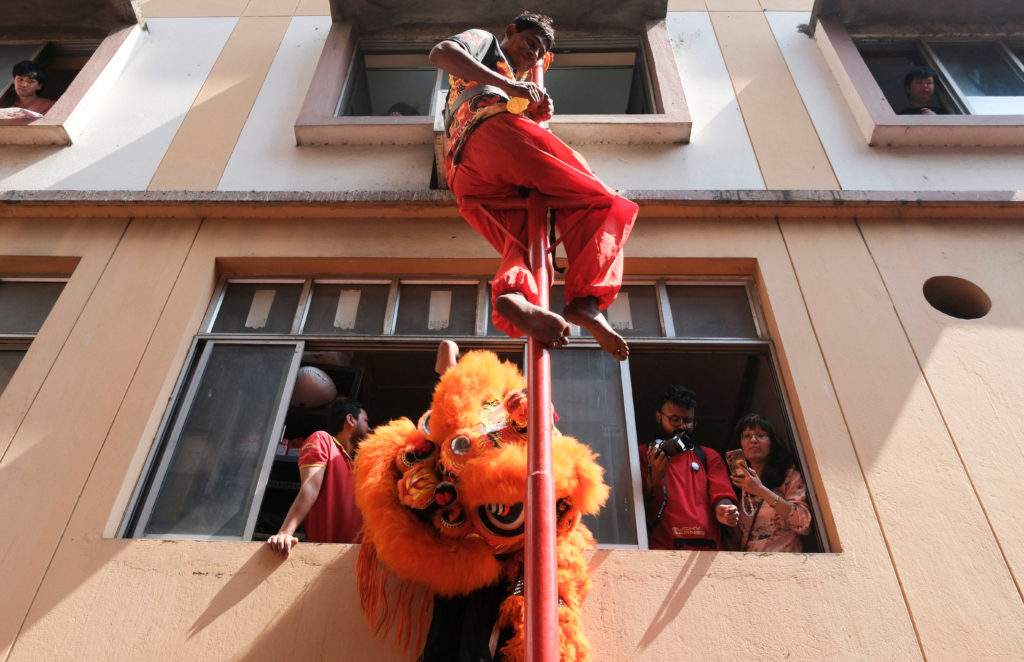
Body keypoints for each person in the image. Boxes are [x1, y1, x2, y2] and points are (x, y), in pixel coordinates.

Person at [429, 12, 639, 362]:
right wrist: (512, 88)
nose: (534, 55)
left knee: (528, 238)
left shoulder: (517, 79)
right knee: (603, 203)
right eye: (530, 43)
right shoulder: (485, 43)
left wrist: (532, 109)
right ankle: (586, 301)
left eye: (540, 52)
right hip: (491, 138)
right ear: (509, 32)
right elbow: (441, 52)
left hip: (467, 176)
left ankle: (515, 297)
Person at [639, 385, 738, 550]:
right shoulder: (642, 454)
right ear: (658, 417)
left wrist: (724, 510)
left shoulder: (709, 455)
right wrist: (653, 480)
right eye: (675, 420)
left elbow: (721, 494)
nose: (682, 427)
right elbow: (629, 507)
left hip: (708, 549)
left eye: (688, 421)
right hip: (662, 550)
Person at [266, 398, 369, 556]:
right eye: (366, 421)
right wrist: (286, 532)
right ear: (350, 419)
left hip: (359, 559)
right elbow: (310, 487)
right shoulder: (323, 440)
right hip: (326, 555)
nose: (370, 429)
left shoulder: (358, 463)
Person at [725, 413, 811, 552]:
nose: (753, 440)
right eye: (747, 436)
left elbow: (804, 523)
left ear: (772, 442)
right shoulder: (735, 482)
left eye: (761, 435)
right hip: (749, 566)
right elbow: (732, 541)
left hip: (786, 561)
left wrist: (761, 491)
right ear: (739, 443)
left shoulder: (789, 477)